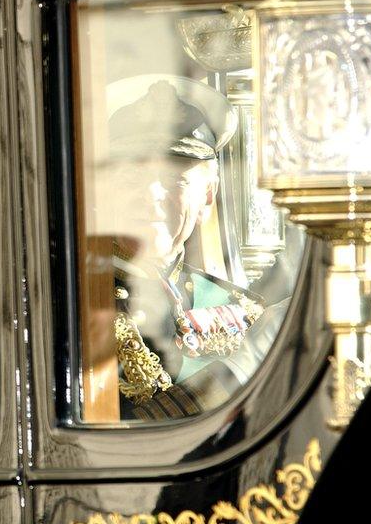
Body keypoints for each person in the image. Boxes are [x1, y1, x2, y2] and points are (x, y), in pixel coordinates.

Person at [92, 75, 284, 420]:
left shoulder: (240, 309)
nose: (151, 194)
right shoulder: (65, 309)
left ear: (207, 195)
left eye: (174, 180)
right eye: (132, 179)